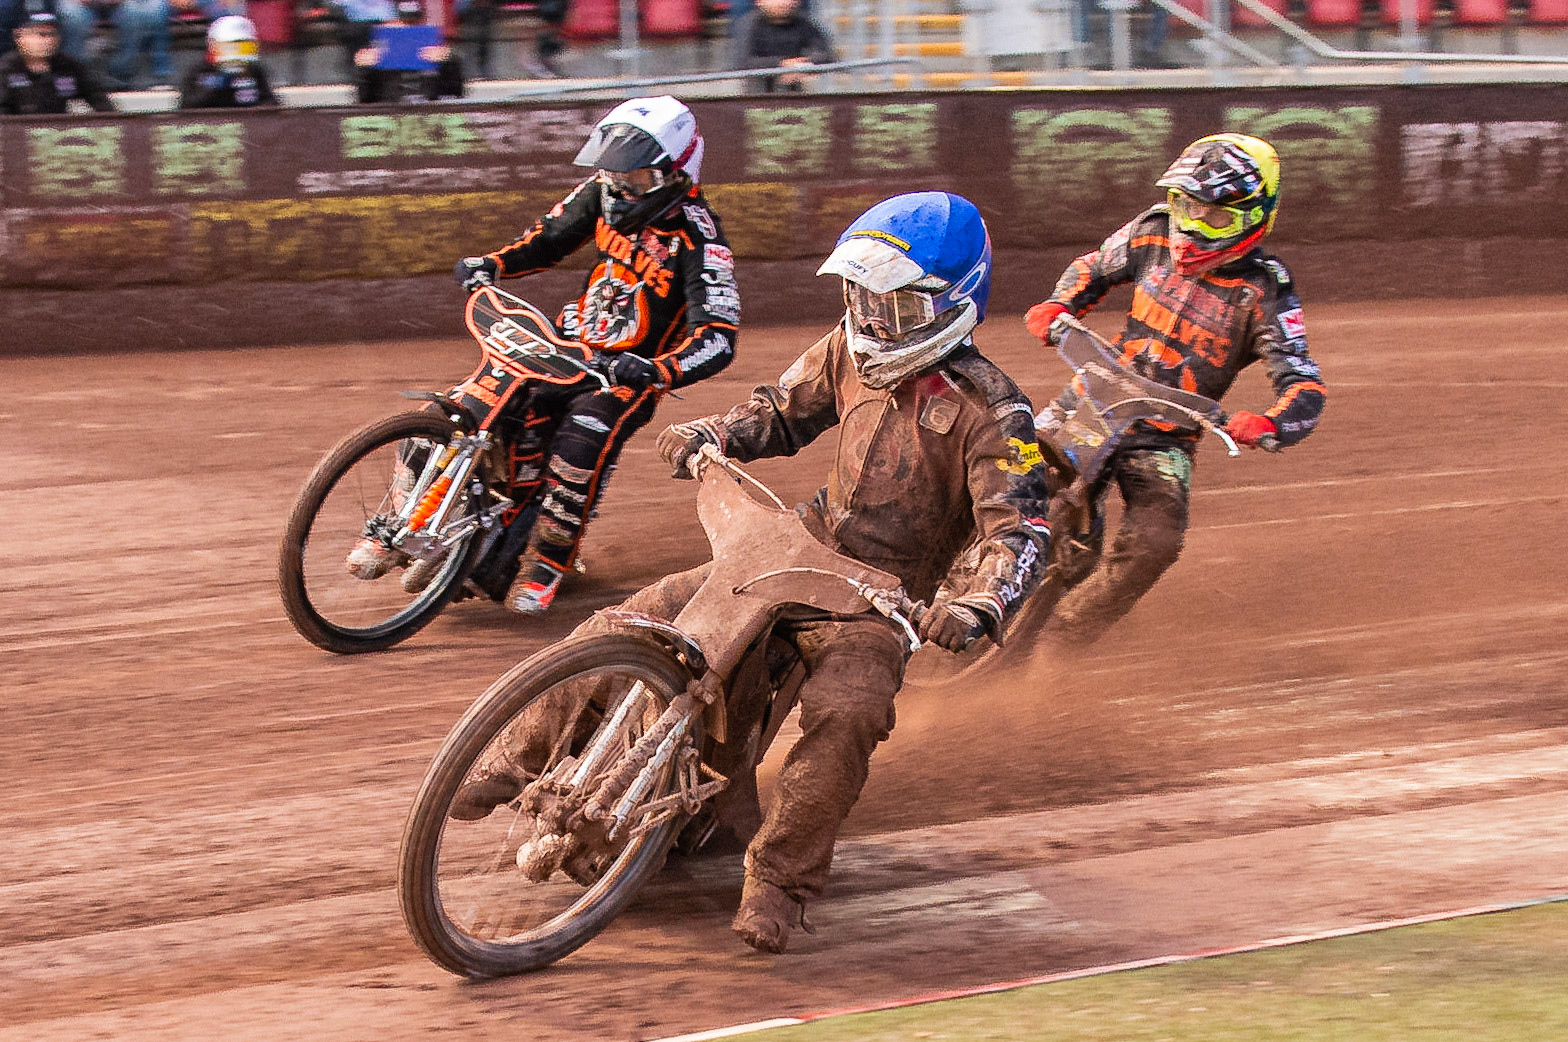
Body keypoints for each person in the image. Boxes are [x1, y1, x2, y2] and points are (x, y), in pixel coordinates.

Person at [450, 193, 1056, 955]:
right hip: (789, 545)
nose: (873, 320)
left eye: (895, 306)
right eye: (863, 298)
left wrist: (976, 606)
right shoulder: (846, 348)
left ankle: (779, 881)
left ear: (952, 305)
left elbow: (1021, 527)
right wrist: (716, 431)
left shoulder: (998, 414)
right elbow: (781, 410)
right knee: (631, 619)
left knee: (849, 712)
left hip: (877, 599)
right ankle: (513, 760)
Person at [353, 97, 739, 614]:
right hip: (564, 344)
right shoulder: (601, 194)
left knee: (582, 439)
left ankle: (548, 562)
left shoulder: (699, 235)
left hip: (625, 373)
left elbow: (717, 336)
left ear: (675, 173)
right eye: (613, 174)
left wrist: (657, 368)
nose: (621, 188)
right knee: (459, 411)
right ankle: (400, 525)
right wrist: (491, 264)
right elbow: (547, 241)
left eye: (635, 179)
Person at [1024, 133, 1327, 649]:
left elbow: (1303, 381)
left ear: (1255, 215)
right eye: (1186, 206)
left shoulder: (1266, 289)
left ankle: (1065, 635)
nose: (1192, 225)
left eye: (1214, 217)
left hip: (1167, 435)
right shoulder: (1153, 233)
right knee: (1011, 471)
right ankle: (951, 563)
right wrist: (1060, 305)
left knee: (1155, 542)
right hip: (1095, 396)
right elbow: (1093, 266)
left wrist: (1271, 423)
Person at [0, 10, 113, 113]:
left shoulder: (68, 65)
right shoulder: (6, 69)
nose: (48, 40)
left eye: (52, 34)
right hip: (16, 132)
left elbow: (100, 101)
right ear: (19, 37)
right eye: (41, 34)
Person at [353, 0, 463, 103]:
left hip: (428, 111)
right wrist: (365, 69)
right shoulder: (377, 58)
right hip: (389, 111)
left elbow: (455, 97)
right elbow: (365, 100)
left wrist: (447, 63)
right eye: (403, 22)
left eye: (414, 24)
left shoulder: (440, 56)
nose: (408, 29)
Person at [731, 0, 832, 94]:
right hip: (759, 94)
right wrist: (782, 65)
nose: (782, 3)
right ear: (759, 2)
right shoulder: (749, 25)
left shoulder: (805, 23)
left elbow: (825, 55)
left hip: (797, 93)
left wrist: (803, 65)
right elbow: (743, 62)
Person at [179, 15, 279, 108]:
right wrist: (214, 87)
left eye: (245, 46)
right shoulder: (200, 72)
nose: (237, 52)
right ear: (213, 45)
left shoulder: (254, 71)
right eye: (230, 46)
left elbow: (270, 104)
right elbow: (188, 107)